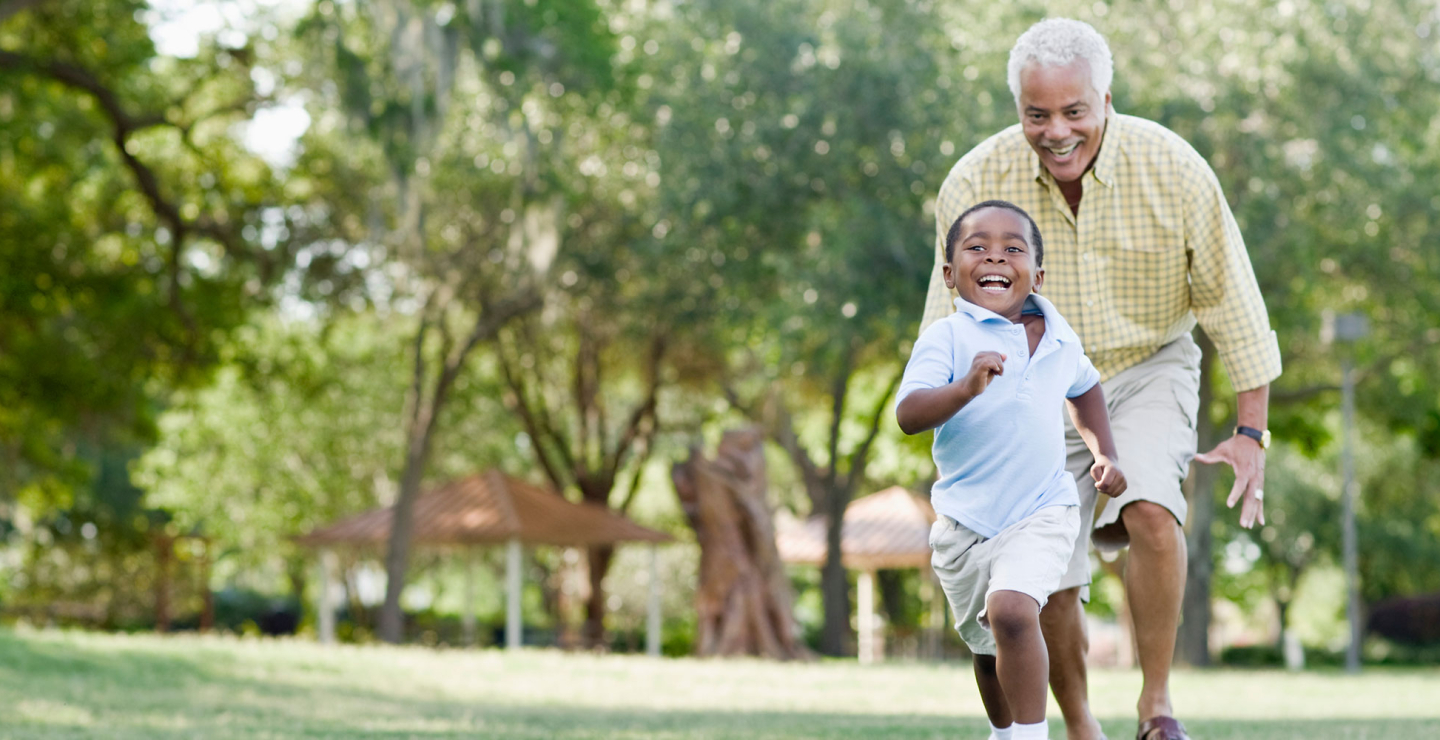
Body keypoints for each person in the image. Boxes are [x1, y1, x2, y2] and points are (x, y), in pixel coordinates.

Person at [919, 18, 1282, 740]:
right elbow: (946, 322)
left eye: (1074, 111)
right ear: (1018, 108)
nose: (1057, 132)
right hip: (1031, 383)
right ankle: (1081, 724)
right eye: (1037, 114)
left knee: (1151, 510)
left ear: (1106, 100)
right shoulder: (975, 181)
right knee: (1040, 572)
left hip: (1149, 365)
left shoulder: (1174, 169)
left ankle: (1156, 707)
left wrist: (1250, 432)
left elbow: (1233, 304)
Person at [898, 200, 1127, 740]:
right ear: (950, 274)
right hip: (965, 524)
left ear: (1037, 276)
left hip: (1042, 509)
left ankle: (1030, 734)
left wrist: (1105, 453)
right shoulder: (946, 338)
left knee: (1011, 611)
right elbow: (909, 414)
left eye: (1012, 249)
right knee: (986, 650)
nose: (995, 257)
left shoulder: (1060, 338)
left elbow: (1086, 388)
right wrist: (964, 388)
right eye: (977, 247)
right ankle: (1004, 734)